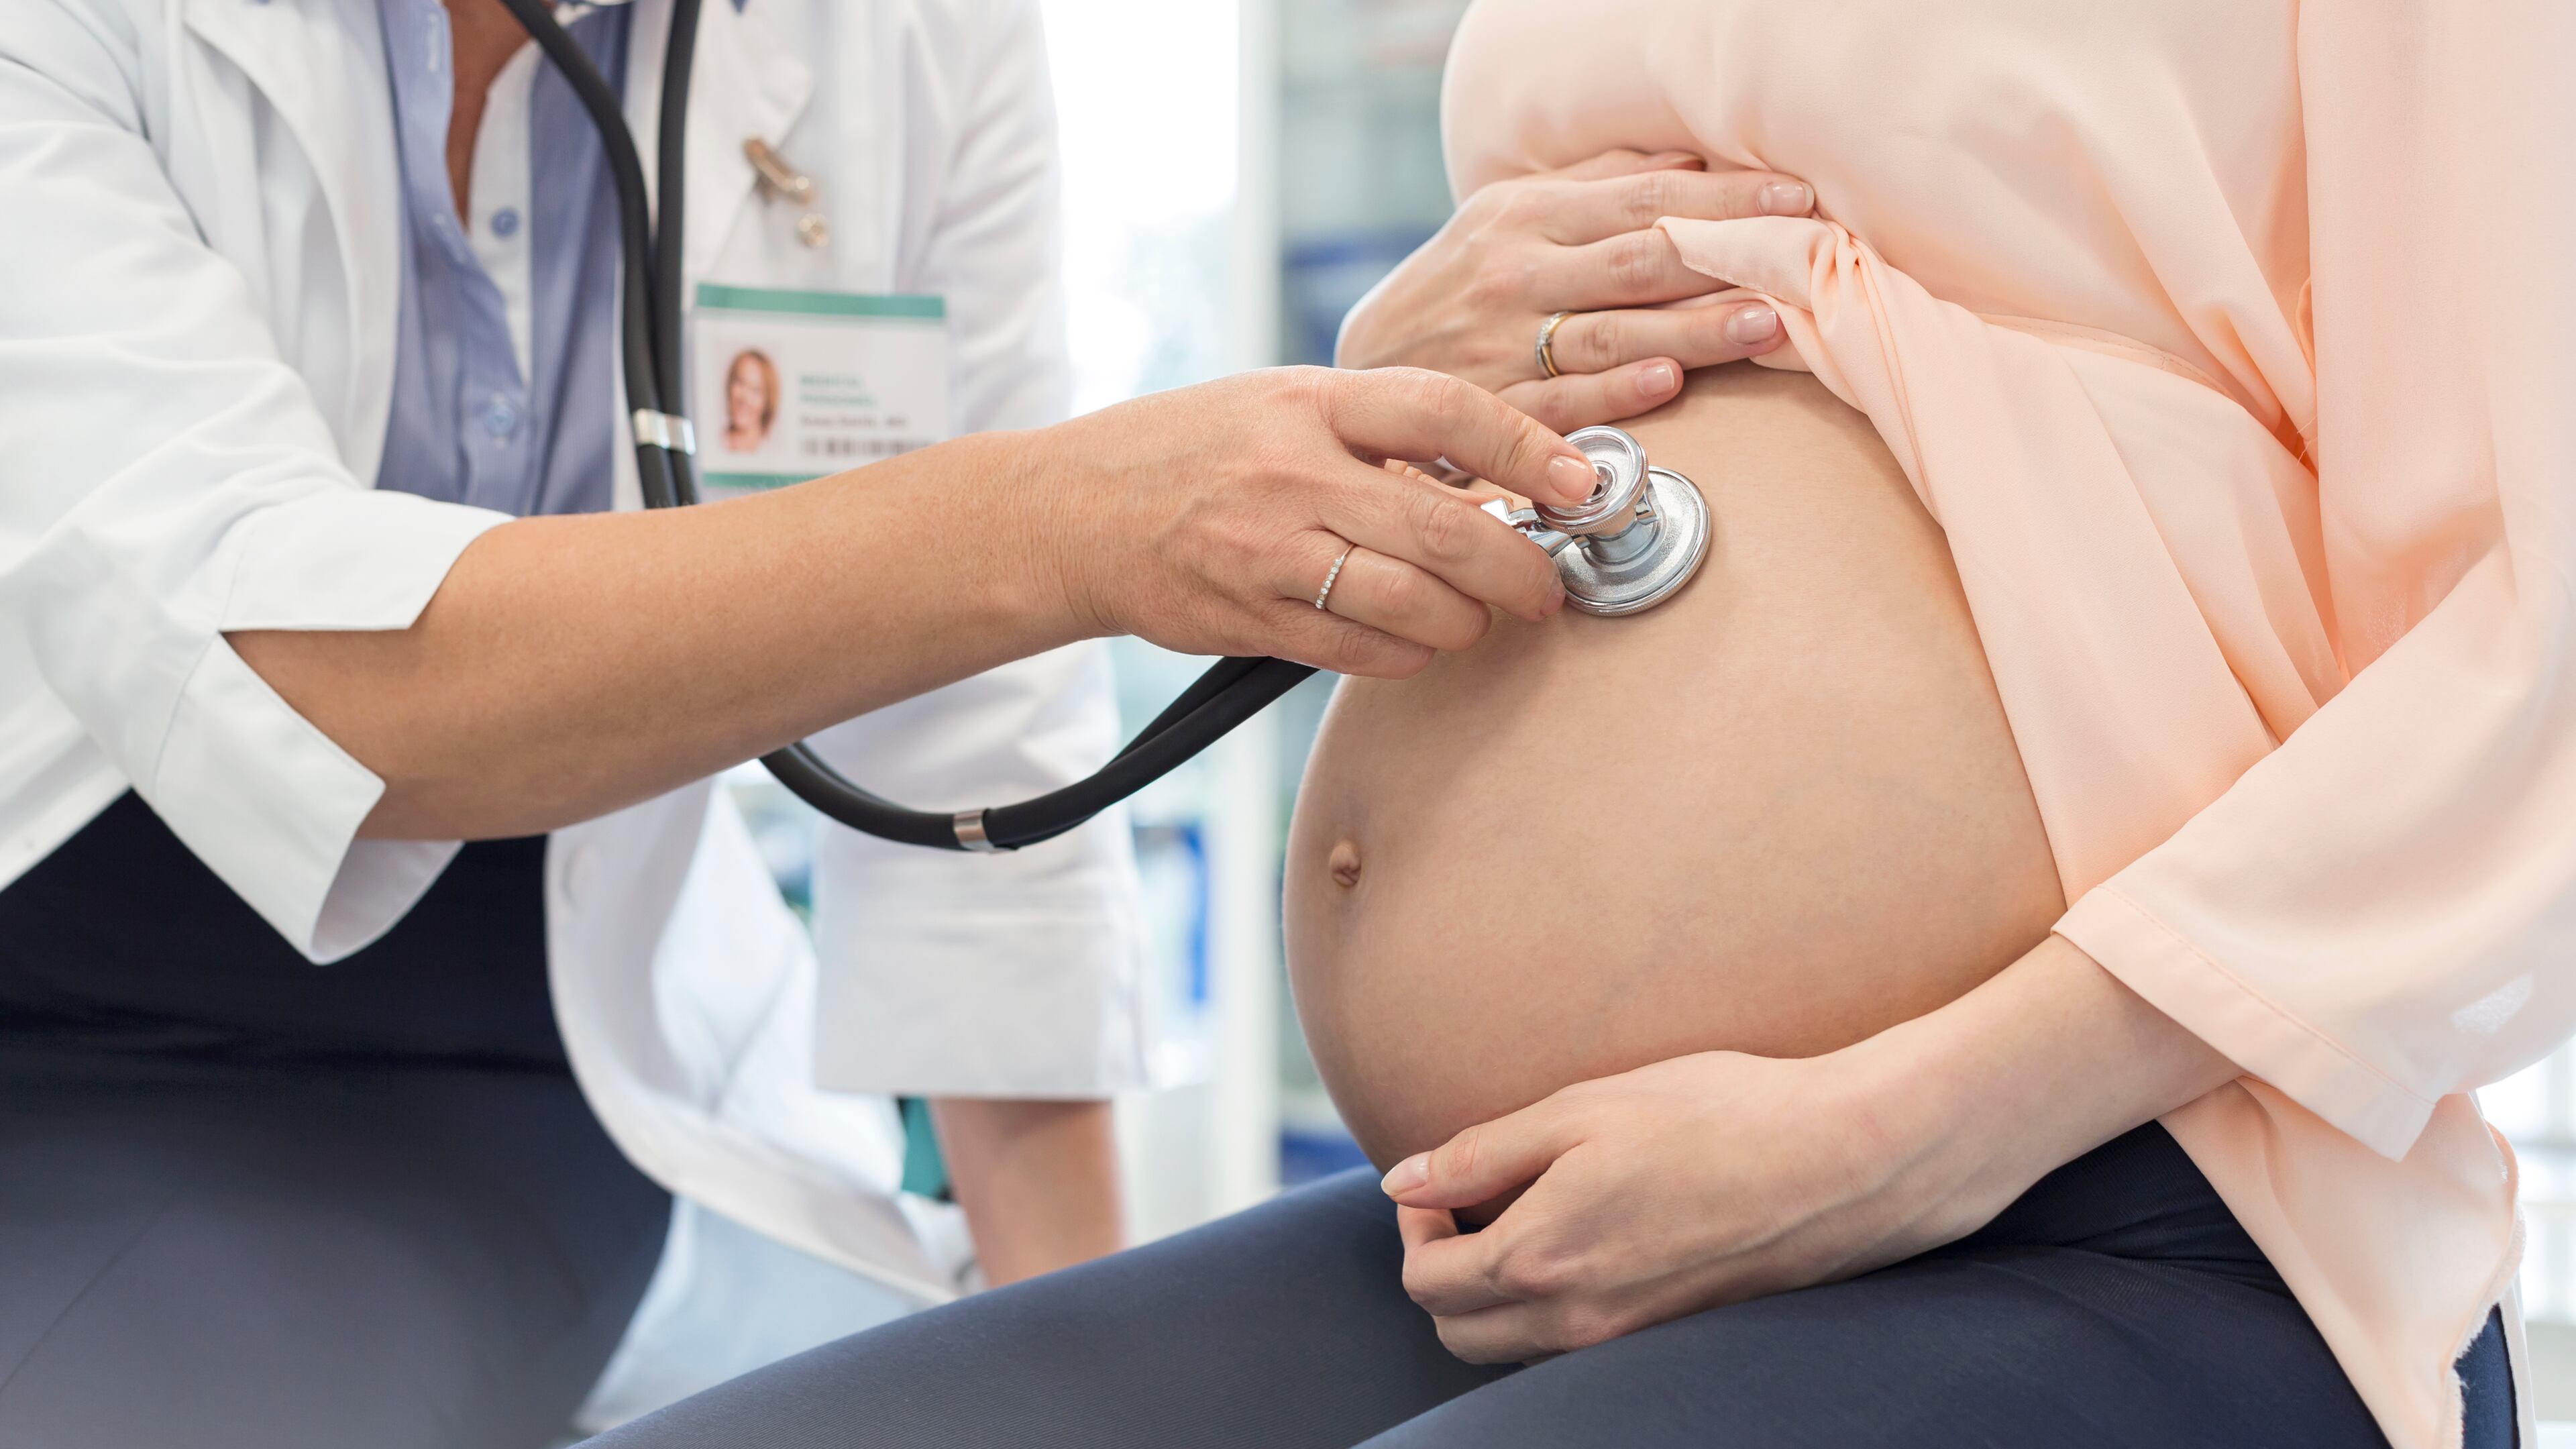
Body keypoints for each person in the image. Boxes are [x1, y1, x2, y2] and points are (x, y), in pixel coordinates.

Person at [585, 3, 2566, 1448]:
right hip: (1509, 1245)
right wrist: (1402, 379)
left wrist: (1893, 1138)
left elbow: (2534, 641)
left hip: (2124, 1200)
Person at [0, 0, 1764, 1442]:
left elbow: (980, 756)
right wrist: (1069, 522)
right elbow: (305, 668)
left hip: (543, 1062)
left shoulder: (907, 38)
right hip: (70, 1017)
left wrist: (1088, 1361)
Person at [722, 349, 780, 454]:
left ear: (767, 402)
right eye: (740, 383)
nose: (745, 398)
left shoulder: (773, 453)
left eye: (756, 390)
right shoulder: (712, 443)